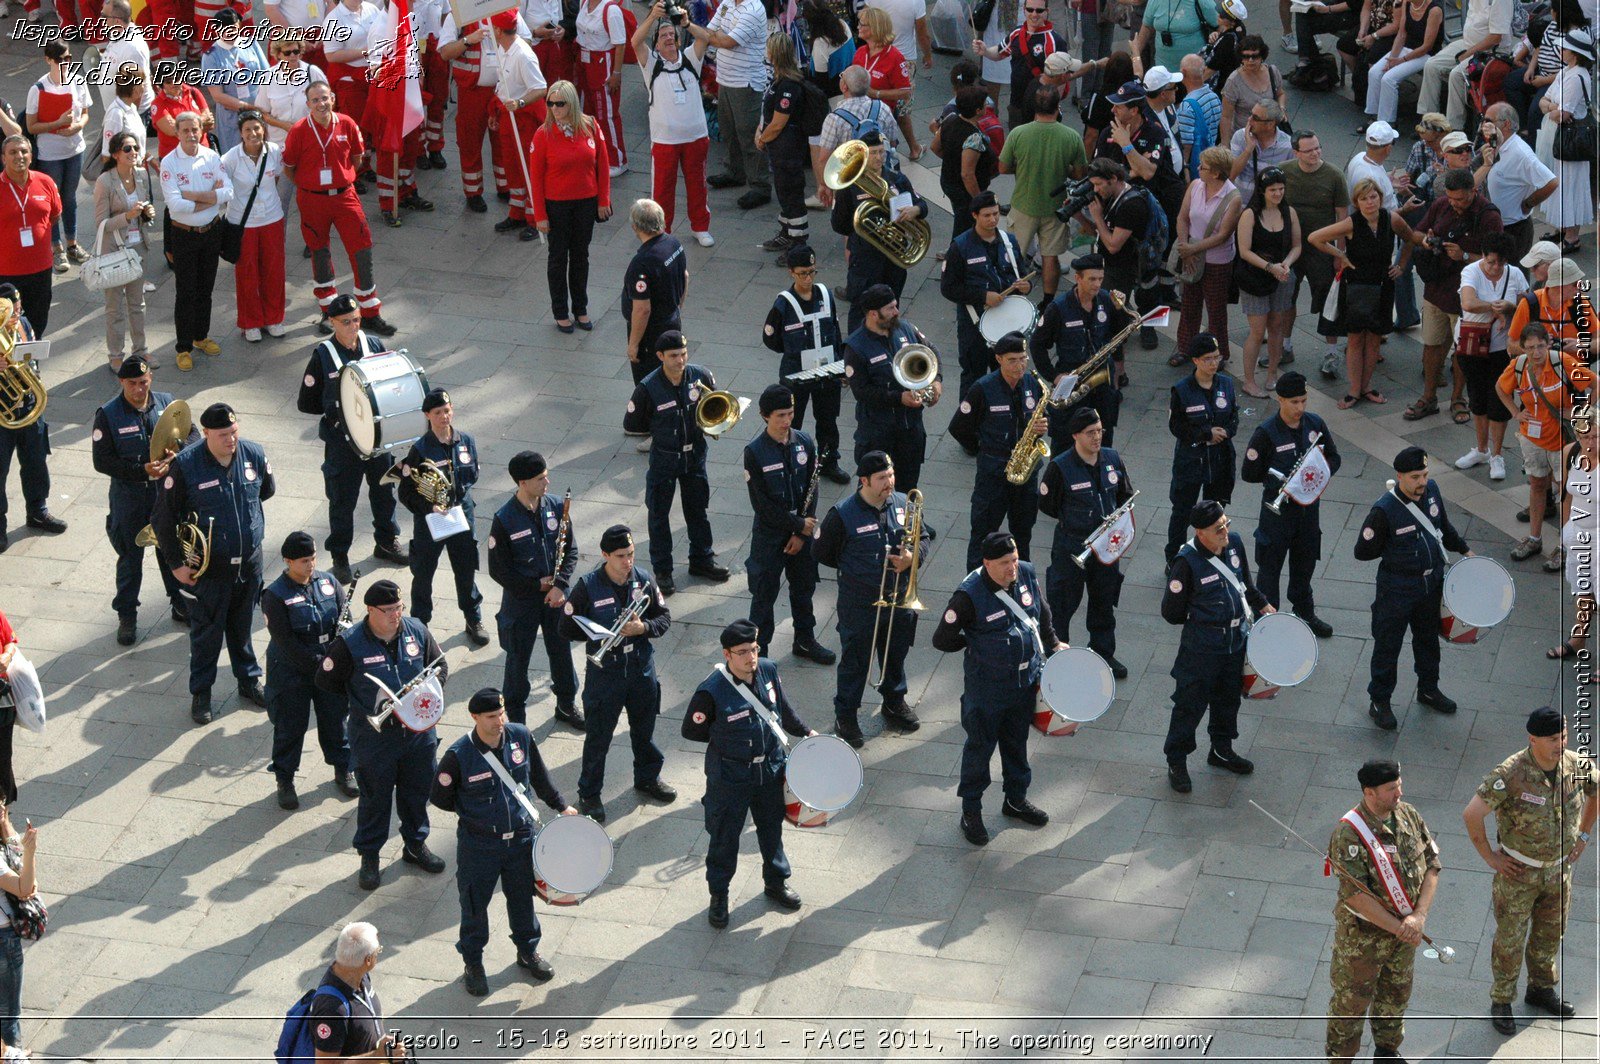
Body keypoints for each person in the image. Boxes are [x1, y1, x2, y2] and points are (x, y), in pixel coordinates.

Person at [1463, 707, 1597, 1036]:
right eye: (1552, 739)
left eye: (1563, 736)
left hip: (1557, 871)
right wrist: (1490, 858)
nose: (1560, 743)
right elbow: (1471, 814)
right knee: (1510, 939)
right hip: (1518, 873)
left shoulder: (1576, 764)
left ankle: (1540, 989)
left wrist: (1584, 833)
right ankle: (1502, 1000)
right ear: (1532, 739)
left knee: (1550, 934)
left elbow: (1597, 790)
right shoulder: (1510, 772)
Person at [431, 688, 572, 994]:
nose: (500, 721)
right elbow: (440, 797)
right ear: (475, 717)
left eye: (502, 713)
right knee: (474, 905)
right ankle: (473, 962)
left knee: (522, 899)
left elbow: (539, 777)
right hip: (479, 845)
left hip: (520, 839)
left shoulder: (520, 735)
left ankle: (527, 950)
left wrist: (562, 805)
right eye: (492, 716)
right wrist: (475, 815)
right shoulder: (458, 756)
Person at [932, 531, 1065, 846]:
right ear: (987, 563)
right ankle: (971, 812)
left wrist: (1054, 643)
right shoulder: (968, 596)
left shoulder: (1027, 574)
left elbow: (1041, 614)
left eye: (1015, 560)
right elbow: (942, 639)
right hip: (987, 689)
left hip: (1023, 682)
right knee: (980, 748)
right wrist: (977, 644)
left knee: (1016, 743)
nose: (1013, 568)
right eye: (1005, 563)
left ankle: (1016, 799)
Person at [316, 578, 449, 889]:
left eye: (399, 607)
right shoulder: (350, 644)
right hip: (375, 739)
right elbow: (326, 681)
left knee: (417, 792)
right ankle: (370, 856)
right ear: (370, 610)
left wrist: (429, 691)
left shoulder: (416, 630)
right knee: (375, 798)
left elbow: (440, 666)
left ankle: (415, 844)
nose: (396, 615)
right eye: (388, 610)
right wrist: (360, 705)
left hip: (418, 734)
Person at [682, 619, 813, 929]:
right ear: (727, 655)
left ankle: (776, 881)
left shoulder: (767, 669)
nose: (751, 658)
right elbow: (692, 730)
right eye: (742, 652)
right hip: (730, 777)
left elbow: (782, 710)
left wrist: (806, 732)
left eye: (754, 649)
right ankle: (719, 896)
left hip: (769, 770)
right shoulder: (711, 691)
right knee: (725, 838)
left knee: (771, 830)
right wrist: (729, 746)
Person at [151, 402, 273, 725]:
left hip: (248, 565)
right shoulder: (187, 466)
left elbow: (266, 490)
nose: (231, 440)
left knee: (243, 628)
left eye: (234, 432)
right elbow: (162, 519)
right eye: (223, 435)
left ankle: (248, 681)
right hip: (209, 572)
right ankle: (201, 694)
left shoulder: (254, 454)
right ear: (205, 434)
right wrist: (176, 564)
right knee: (206, 635)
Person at [1323, 759, 1441, 1064]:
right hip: (1363, 941)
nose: (1399, 793)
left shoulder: (1409, 815)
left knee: (1396, 995)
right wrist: (1402, 926)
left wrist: (1418, 918)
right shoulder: (1349, 834)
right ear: (1370, 792)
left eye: (1399, 785)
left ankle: (1387, 1051)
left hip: (1405, 933)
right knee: (1350, 1005)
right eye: (1391, 789)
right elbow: (1356, 897)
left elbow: (1432, 865)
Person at [557, 524, 676, 822]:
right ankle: (590, 793)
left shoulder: (644, 580)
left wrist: (643, 628)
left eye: (631, 554)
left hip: (640, 669)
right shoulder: (587, 586)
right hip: (605, 673)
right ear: (605, 555)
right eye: (621, 556)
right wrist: (596, 634)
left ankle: (648, 777)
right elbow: (565, 626)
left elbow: (663, 617)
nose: (628, 562)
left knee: (644, 730)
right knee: (599, 737)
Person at [1353, 447, 1470, 730]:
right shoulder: (1384, 510)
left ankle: (1428, 689)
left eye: (1425, 475)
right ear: (1400, 476)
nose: (1422, 482)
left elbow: (1443, 526)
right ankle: (1379, 700)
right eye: (1415, 477)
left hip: (1430, 585)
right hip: (1397, 589)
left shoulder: (1431, 492)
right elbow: (1363, 551)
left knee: (1428, 640)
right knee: (1387, 644)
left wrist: (1465, 551)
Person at [295, 294, 409, 584]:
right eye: (346, 322)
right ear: (332, 322)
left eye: (357, 320)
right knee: (342, 500)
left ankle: (386, 541)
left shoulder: (373, 345)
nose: (353, 326)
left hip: (377, 440)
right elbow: (306, 402)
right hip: (343, 445)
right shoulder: (323, 355)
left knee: (384, 492)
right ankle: (340, 556)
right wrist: (340, 414)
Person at [1161, 501, 1268, 793]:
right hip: (1202, 649)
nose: (1225, 531)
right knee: (1189, 704)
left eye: (1226, 524)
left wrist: (1263, 605)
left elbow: (1245, 582)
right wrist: (1204, 622)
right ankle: (1177, 759)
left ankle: (1221, 749)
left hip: (1235, 644)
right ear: (1200, 532)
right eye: (1218, 528)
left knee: (1227, 700)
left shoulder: (1234, 544)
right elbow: (1171, 612)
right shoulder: (1186, 562)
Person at [91, 356, 195, 645]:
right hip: (130, 498)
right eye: (133, 384)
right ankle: (127, 616)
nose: (139, 389)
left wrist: (180, 452)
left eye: (143, 382)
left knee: (171, 551)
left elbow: (193, 434)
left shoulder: (167, 404)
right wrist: (140, 472)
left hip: (165, 495)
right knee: (130, 557)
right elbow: (102, 461)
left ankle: (180, 602)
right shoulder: (109, 415)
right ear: (121, 382)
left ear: (151, 379)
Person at [281, 82, 397, 337]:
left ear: (332, 98)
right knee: (319, 253)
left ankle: (369, 313)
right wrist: (309, 184)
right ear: (308, 103)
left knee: (362, 250)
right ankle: (329, 311)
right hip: (312, 199)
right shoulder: (299, 131)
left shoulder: (346, 123)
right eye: (315, 100)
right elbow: (289, 167)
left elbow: (357, 158)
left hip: (344, 196)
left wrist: (342, 179)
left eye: (325, 98)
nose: (321, 104)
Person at [621, 331, 732, 595]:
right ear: (660, 357)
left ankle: (702, 560)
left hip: (694, 456)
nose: (680, 360)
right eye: (673, 356)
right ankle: (663, 571)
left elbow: (715, 405)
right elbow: (632, 423)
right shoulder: (648, 388)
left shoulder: (700, 376)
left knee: (698, 510)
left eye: (683, 353)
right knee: (659, 515)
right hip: (664, 459)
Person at [260, 531, 356, 811]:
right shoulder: (275, 596)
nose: (311, 565)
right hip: (292, 672)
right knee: (290, 726)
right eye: (304, 561)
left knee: (336, 719)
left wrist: (339, 656)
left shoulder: (329, 582)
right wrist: (320, 664)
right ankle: (285, 779)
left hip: (329, 667)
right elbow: (285, 641)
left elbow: (346, 618)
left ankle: (343, 768)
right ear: (288, 561)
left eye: (313, 558)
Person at [1239, 373, 1341, 634]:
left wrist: (1316, 472)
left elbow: (1334, 457)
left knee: (1304, 566)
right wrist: (1278, 481)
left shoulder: (1314, 425)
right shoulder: (1266, 433)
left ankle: (1305, 613)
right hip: (1277, 515)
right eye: (1294, 402)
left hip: (1307, 513)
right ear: (1280, 399)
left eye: (1304, 401)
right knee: (1270, 571)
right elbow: (1249, 473)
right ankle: (1267, 622)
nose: (1300, 408)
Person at [486, 451, 582, 729]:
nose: (547, 482)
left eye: (546, 475)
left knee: (561, 652)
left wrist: (560, 585)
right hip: (522, 602)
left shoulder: (555, 507)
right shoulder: (504, 519)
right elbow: (498, 570)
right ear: (523, 482)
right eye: (540, 478)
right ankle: (516, 719)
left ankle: (566, 703)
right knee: (517, 659)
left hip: (554, 599)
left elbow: (570, 551)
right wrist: (535, 585)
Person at [1402, 167, 1504, 424]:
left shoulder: (1489, 216)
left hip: (1469, 297)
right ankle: (1428, 398)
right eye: (1451, 198)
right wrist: (1426, 241)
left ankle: (1459, 398)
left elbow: (1498, 259)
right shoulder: (1440, 205)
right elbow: (1414, 234)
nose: (1455, 203)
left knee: (1463, 351)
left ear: (1474, 191)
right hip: (1436, 290)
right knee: (1432, 345)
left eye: (1460, 199)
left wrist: (1466, 256)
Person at [743, 385, 836, 664]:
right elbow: (761, 505)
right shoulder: (755, 452)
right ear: (764, 416)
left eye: (791, 414)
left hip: (802, 530)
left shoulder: (804, 442)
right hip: (771, 535)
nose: (787, 421)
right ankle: (760, 651)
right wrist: (797, 525)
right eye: (781, 415)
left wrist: (803, 530)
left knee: (804, 587)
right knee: (763, 594)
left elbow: (812, 487)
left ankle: (805, 640)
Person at [1038, 407, 1134, 676]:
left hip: (1106, 549)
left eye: (1100, 431)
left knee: (1104, 600)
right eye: (1091, 433)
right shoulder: (1060, 466)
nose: (1097, 437)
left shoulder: (1112, 458)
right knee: (1062, 603)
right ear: (1076, 436)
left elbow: (1124, 495)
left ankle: (1103, 654)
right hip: (1072, 547)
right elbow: (1047, 505)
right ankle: (1056, 656)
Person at [1311, 177, 1416, 410]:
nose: (1370, 202)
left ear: (1380, 197)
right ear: (1357, 202)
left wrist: (1401, 265)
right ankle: (1354, 389)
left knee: (1375, 340)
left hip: (1383, 284)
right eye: (1364, 198)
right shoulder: (1352, 223)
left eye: (1373, 197)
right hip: (1357, 286)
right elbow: (1315, 238)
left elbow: (1410, 239)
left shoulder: (1392, 219)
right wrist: (1341, 255)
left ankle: (1366, 387)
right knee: (1356, 339)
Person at [1497, 323, 1596, 563]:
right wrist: (1515, 413)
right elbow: (1500, 388)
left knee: (1565, 493)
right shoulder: (1518, 366)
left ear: (1548, 344)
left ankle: (1564, 545)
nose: (1536, 352)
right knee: (1537, 485)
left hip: (1562, 440)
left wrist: (1579, 412)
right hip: (1532, 438)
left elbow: (1596, 383)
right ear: (1523, 348)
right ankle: (1534, 538)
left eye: (1540, 346)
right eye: (1530, 348)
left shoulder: (1563, 362)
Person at [395, 389, 488, 645]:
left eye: (447, 411)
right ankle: (419, 623)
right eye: (438, 413)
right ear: (428, 415)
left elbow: (472, 474)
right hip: (431, 521)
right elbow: (406, 493)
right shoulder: (420, 450)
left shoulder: (466, 440)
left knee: (466, 569)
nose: (444, 417)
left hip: (461, 515)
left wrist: (456, 496)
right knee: (423, 573)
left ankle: (473, 617)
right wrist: (430, 507)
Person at [948, 333, 1045, 570]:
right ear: (999, 359)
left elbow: (1040, 415)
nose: (1019, 365)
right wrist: (985, 449)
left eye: (1023, 358)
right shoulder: (983, 389)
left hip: (1025, 472)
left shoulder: (1032, 384)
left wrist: (1041, 427)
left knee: (1023, 531)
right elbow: (959, 427)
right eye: (1012, 360)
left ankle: (1021, 576)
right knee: (983, 530)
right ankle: (974, 583)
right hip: (994, 473)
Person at [529, 80, 613, 333]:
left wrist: (603, 201)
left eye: (560, 103)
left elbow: (603, 165)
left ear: (572, 103)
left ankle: (581, 308)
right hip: (557, 206)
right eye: (551, 103)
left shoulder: (589, 126)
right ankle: (560, 311)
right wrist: (540, 216)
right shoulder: (542, 135)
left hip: (585, 204)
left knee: (580, 256)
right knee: (557, 258)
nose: (554, 108)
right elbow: (536, 178)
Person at [763, 244, 851, 484]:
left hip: (826, 370)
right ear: (791, 272)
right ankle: (792, 463)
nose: (809, 278)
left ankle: (828, 461)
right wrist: (793, 352)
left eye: (812, 271)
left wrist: (840, 364)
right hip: (796, 372)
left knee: (828, 419)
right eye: (803, 273)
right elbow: (771, 338)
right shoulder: (783, 303)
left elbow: (834, 330)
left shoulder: (825, 294)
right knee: (793, 421)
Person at [1031, 253, 1135, 453]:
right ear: (1078, 278)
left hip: (1102, 384)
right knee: (1065, 440)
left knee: (1103, 440)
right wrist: (1054, 376)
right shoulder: (1058, 308)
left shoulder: (1105, 300)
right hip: (1073, 383)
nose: (1097, 284)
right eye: (1092, 279)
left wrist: (1120, 311)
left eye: (1100, 279)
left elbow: (1119, 335)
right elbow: (1037, 345)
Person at [843, 285, 942, 492]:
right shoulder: (856, 346)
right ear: (873, 313)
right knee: (876, 487)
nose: (896, 312)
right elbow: (861, 391)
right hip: (879, 431)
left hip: (910, 427)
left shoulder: (904, 328)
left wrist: (936, 381)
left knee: (909, 482)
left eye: (895, 306)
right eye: (890, 308)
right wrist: (899, 398)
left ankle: (911, 523)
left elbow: (931, 351)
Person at [634, 4, 714, 245]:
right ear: (656, 44)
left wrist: (687, 23)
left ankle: (700, 227)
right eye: (663, 36)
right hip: (665, 140)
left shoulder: (690, 58)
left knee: (697, 186)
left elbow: (706, 38)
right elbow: (635, 42)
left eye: (672, 35)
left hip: (696, 136)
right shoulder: (652, 64)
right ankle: (661, 231)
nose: (668, 38)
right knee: (662, 190)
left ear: (679, 41)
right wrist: (652, 18)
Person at [830, 131, 926, 331]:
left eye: (881, 152)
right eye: (873, 153)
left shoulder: (896, 179)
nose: (878, 157)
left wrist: (914, 210)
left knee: (891, 306)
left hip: (894, 256)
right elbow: (839, 225)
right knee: (860, 306)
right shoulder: (850, 185)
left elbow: (921, 204)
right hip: (865, 256)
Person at [940, 190, 1029, 401]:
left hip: (1007, 321)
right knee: (973, 374)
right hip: (975, 322)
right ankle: (968, 419)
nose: (993, 219)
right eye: (987, 215)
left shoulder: (1010, 241)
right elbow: (948, 288)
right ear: (975, 216)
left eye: (996, 214)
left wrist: (1026, 285)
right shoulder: (960, 247)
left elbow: (1022, 274)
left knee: (1010, 373)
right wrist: (982, 296)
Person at [1453, 232, 1528, 482]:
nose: (1495, 267)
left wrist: (1509, 309)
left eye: (1500, 262)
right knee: (1477, 398)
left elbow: (1524, 307)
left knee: (1499, 401)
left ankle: (1496, 454)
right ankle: (1482, 449)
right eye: (1491, 262)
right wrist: (1497, 307)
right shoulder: (1471, 271)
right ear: (1483, 256)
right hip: (1472, 345)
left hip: (1501, 349)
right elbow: (1469, 303)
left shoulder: (1515, 274)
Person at [159, 110, 229, 368]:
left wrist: (194, 197)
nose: (191, 134)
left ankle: (201, 336)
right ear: (177, 133)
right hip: (184, 235)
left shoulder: (212, 157)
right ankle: (183, 346)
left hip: (211, 232)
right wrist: (209, 198)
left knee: (206, 289)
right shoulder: (169, 163)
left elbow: (228, 190)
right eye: (185, 130)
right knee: (185, 291)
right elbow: (174, 205)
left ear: (202, 131)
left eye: (194, 129)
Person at [1164, 334, 1237, 565]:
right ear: (1195, 360)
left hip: (1220, 459)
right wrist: (1206, 435)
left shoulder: (1225, 384)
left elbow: (1233, 417)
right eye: (1208, 359)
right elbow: (1176, 426)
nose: (1214, 363)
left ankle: (1213, 554)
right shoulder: (1182, 390)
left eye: (1217, 357)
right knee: (1182, 512)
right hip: (1191, 460)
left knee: (1215, 511)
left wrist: (1225, 432)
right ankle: (1174, 558)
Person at [1282, 131, 1349, 380]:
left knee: (1328, 300)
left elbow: (1342, 217)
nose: (1315, 154)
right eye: (1309, 150)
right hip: (1290, 246)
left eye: (1317, 148)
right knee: (1286, 296)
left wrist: (1338, 253)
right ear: (1296, 152)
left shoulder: (1334, 175)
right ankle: (1285, 346)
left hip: (1322, 249)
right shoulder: (1284, 171)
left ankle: (1331, 352)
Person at [0, 285, 62, 555]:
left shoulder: (24, 323)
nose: (16, 313)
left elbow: (34, 356)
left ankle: (37, 510)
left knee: (36, 463)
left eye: (17, 306)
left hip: (28, 407)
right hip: (2, 417)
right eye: (10, 309)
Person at [25, 41, 93, 272]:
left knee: (70, 198)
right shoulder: (39, 89)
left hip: (74, 149)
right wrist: (57, 123)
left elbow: (85, 114)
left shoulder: (78, 81)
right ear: (49, 60)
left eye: (68, 58)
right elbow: (31, 126)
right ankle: (56, 248)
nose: (65, 63)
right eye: (60, 59)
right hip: (50, 155)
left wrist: (77, 127)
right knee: (52, 202)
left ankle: (72, 243)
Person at [221, 111, 287, 343]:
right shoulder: (230, 158)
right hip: (242, 222)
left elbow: (276, 178)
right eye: (247, 129)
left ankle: (274, 318)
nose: (253, 133)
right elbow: (222, 186)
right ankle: (250, 323)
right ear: (240, 133)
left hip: (272, 218)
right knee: (247, 273)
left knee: (274, 270)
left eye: (257, 128)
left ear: (263, 130)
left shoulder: (275, 151)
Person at [1173, 147, 1241, 375]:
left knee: (1215, 310)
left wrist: (1192, 248)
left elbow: (1222, 236)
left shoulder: (1233, 198)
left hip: (1217, 262)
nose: (1198, 169)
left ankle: (1219, 352)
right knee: (1189, 303)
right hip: (1192, 255)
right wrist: (1186, 249)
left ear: (1216, 173)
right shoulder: (1195, 186)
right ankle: (1185, 347)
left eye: (1203, 167)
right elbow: (1182, 218)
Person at [1083, 159, 1157, 366]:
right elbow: (1098, 233)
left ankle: (1117, 365)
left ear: (1114, 179)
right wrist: (1079, 215)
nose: (1096, 190)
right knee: (1112, 309)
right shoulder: (1112, 196)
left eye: (1099, 184)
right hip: (1110, 263)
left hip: (1123, 267)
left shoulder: (1131, 205)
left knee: (1112, 313)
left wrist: (1097, 216)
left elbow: (1113, 244)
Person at [1235, 166, 1301, 396]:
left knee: (1276, 326)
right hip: (1255, 277)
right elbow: (1244, 251)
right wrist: (1270, 267)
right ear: (1262, 190)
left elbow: (1297, 245)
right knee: (1257, 329)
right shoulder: (1250, 214)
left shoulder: (1288, 212)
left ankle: (1273, 371)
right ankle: (1249, 379)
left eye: (1281, 189)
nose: (1278, 194)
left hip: (1281, 275)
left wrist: (1286, 264)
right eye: (1273, 189)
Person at [92, 131, 154, 372]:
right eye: (127, 149)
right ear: (116, 154)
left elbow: (146, 204)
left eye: (135, 148)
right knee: (115, 306)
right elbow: (101, 224)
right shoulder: (105, 182)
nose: (133, 153)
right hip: (114, 251)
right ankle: (115, 354)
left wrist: (146, 212)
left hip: (137, 247)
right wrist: (127, 217)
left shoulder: (140, 174)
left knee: (138, 303)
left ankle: (141, 350)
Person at [440, 15, 511, 212]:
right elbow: (445, 53)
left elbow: (526, 39)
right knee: (469, 141)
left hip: (501, 90)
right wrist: (467, 40)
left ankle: (506, 186)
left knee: (503, 139)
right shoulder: (458, 14)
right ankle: (473, 192)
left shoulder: (504, 8)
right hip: (472, 91)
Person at [706, 0, 771, 209]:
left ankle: (760, 186)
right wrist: (716, 37)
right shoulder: (727, 3)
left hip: (746, 82)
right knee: (729, 129)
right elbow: (711, 30)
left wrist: (714, 36)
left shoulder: (753, 9)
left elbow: (727, 41)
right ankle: (735, 171)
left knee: (749, 134)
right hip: (725, 79)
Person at [754, 33, 815, 255]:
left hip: (788, 149)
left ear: (775, 54)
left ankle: (799, 243)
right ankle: (787, 232)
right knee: (783, 191)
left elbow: (779, 122)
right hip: (779, 149)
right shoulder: (780, 79)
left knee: (791, 194)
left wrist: (762, 138)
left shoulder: (789, 85)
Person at [490, 10, 548, 238]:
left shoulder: (523, 54)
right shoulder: (504, 50)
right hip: (509, 116)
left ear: (497, 30)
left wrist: (520, 102)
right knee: (513, 165)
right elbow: (502, 84)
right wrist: (496, 110)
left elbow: (541, 88)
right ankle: (517, 212)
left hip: (524, 119)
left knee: (529, 168)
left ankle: (535, 218)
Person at [1534, 29, 1594, 253]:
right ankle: (1563, 228)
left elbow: (1562, 114)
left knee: (1571, 185)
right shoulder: (1565, 73)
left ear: (1575, 53)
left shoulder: (1578, 76)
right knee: (1560, 182)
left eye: (1565, 48)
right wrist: (1552, 107)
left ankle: (1572, 236)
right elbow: (1545, 101)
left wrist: (1551, 108)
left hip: (1572, 140)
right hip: (1561, 136)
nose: (1561, 49)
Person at [305, 923, 400, 1061]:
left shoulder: (359, 974)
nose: (378, 955)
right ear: (368, 960)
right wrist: (376, 1056)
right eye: (378, 951)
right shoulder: (332, 1010)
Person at [1475, 103, 1558, 263]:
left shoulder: (1520, 153)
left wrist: (1528, 203)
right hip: (1495, 225)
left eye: (1489, 121)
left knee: (1513, 280)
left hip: (1514, 230)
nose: (1484, 125)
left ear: (1505, 124)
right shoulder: (1496, 145)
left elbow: (1551, 182)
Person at [971, 0, 1067, 130]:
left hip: (1041, 110)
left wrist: (1051, 109)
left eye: (1039, 10)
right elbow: (1000, 52)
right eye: (1030, 10)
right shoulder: (1017, 33)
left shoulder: (1056, 41)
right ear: (1024, 11)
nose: (1034, 14)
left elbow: (1062, 79)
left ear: (1047, 12)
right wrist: (986, 51)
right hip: (1017, 104)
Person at [1419, 0, 1515, 130]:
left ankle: (1454, 128)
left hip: (1491, 52)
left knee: (1457, 74)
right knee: (1431, 65)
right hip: (1468, 43)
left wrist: (1467, 53)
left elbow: (1495, 38)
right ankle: (1429, 122)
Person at [622, 199, 689, 385]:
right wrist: (677, 308)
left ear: (635, 227)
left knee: (650, 384)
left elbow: (642, 309)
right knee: (673, 375)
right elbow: (685, 276)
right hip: (672, 321)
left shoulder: (641, 263)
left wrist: (634, 344)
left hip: (651, 334)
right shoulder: (674, 244)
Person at [1550, 411, 1599, 650]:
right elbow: (1566, 495)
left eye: (1596, 436)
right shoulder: (1570, 453)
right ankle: (1579, 638)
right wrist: (1565, 529)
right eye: (1586, 437)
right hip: (1577, 533)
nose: (1591, 442)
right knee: (1582, 589)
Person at [852, 7, 920, 161]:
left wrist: (876, 93)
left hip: (881, 118)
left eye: (862, 24)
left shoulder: (894, 57)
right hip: (859, 114)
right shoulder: (860, 52)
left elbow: (905, 92)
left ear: (875, 28)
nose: (858, 27)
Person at [931, 86, 997, 241]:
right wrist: (978, 200)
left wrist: (951, 160)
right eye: (984, 103)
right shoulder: (973, 137)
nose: (987, 105)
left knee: (962, 219)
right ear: (978, 110)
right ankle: (955, 256)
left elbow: (935, 147)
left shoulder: (951, 119)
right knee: (963, 226)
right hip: (963, 190)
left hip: (948, 181)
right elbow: (967, 174)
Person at [200, 9, 269, 154]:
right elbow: (217, 96)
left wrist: (262, 106)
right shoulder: (211, 56)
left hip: (259, 111)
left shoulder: (251, 44)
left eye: (234, 28)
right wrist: (249, 107)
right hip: (232, 117)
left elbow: (267, 76)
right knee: (235, 158)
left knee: (262, 154)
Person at [1364, 0, 1444, 123]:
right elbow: (1401, 35)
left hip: (1426, 54)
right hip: (1407, 48)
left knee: (1389, 79)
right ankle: (1372, 115)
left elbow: (1427, 46)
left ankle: (1387, 122)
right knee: (1374, 72)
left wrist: (1400, 60)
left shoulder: (1434, 10)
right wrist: (1391, 59)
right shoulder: (1407, 4)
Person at [574, 0, 628, 175]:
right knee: (586, 111)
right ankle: (593, 155)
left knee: (607, 114)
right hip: (585, 62)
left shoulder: (611, 10)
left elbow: (620, 44)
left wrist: (616, 73)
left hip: (603, 63)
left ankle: (618, 161)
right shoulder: (584, 3)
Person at [0, 803, 37, 1049]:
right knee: (8, 1016)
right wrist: (31, 852)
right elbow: (25, 888)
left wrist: (4, 825)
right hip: (4, 942)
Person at [1218, 36, 1287, 146]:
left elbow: (1280, 94)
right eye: (1246, 56)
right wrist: (1225, 144)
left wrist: (1281, 109)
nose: (1250, 60)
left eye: (1254, 56)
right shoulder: (1233, 81)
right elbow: (1226, 117)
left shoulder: (1272, 71)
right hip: (1245, 137)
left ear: (1262, 56)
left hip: (1271, 134)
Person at [96, 0, 154, 114]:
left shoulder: (132, 48)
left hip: (130, 115)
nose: (101, 20)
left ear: (116, 20)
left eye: (104, 16)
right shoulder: (118, 33)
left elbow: (136, 90)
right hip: (115, 112)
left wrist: (128, 119)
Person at [1339, 0, 1401, 105]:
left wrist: (1374, 36)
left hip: (1391, 34)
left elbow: (1396, 26)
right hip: (1374, 24)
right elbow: (1366, 8)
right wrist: (1363, 29)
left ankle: (1374, 92)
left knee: (1372, 57)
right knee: (1344, 45)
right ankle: (1361, 79)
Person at [1176, 54, 1221, 180]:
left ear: (1183, 72)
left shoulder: (1187, 106)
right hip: (1211, 159)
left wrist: (1184, 170)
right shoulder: (1214, 97)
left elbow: (1187, 145)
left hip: (1197, 167)